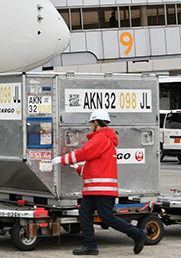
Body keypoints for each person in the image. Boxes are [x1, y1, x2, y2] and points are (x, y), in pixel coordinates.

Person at [51, 109, 146, 256]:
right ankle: (90, 246)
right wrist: (79, 168)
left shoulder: (101, 138)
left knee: (107, 217)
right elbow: (96, 165)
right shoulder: (104, 139)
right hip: (95, 189)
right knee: (85, 213)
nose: (90, 126)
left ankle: (137, 234)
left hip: (102, 189)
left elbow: (85, 153)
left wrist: (63, 159)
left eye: (91, 123)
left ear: (96, 122)